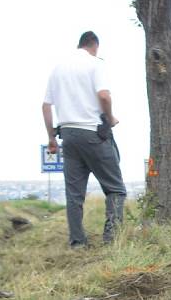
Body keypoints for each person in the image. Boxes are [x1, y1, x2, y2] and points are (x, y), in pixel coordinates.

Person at [42, 31, 126, 247]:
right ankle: (112, 239)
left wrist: (51, 138)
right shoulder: (95, 64)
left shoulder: (58, 68)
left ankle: (78, 243)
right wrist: (110, 117)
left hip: (67, 135)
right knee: (115, 189)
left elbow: (46, 106)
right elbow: (104, 96)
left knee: (74, 194)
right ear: (95, 45)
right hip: (93, 133)